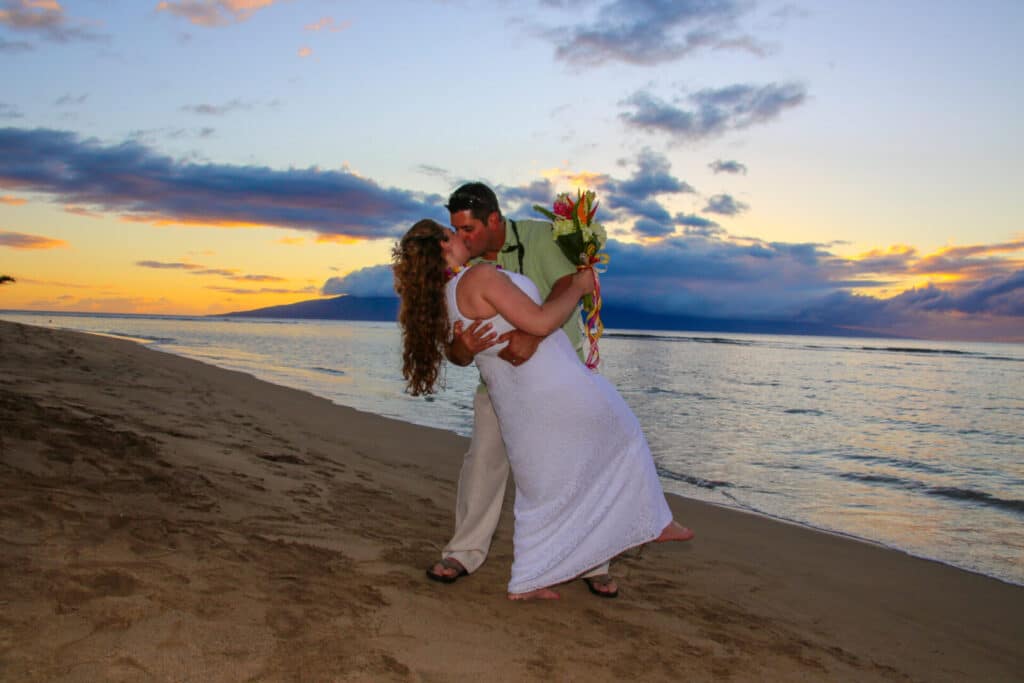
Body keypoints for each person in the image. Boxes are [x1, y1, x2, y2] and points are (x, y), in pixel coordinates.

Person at [393, 218, 693, 600]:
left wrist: (566, 283)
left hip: (520, 397)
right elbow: (541, 320)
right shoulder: (479, 277)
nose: (461, 236)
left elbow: (498, 328)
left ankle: (533, 577)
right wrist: (580, 288)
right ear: (443, 246)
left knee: (546, 485)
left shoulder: (445, 294)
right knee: (623, 433)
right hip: (546, 385)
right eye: (453, 233)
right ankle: (653, 520)